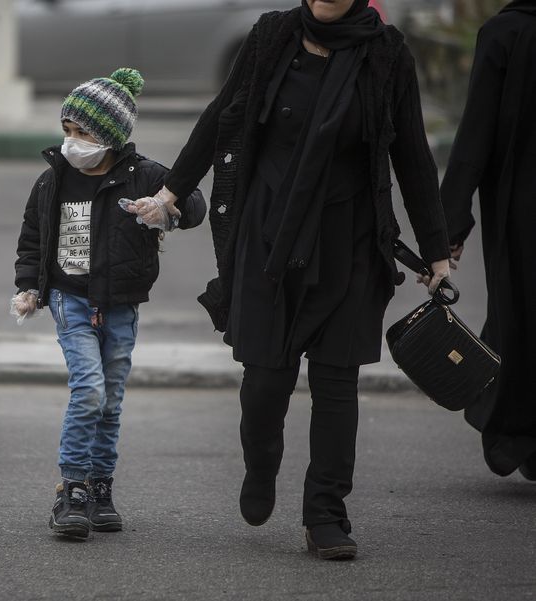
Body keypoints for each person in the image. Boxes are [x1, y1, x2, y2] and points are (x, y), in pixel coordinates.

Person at [130, 0, 452, 559]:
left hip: (349, 237)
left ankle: (326, 514)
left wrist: (436, 250)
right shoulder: (272, 35)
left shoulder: (387, 52)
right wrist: (171, 191)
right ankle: (262, 463)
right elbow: (221, 116)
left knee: (336, 383)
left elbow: (412, 153)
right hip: (269, 235)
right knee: (264, 384)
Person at [12, 68, 206, 539]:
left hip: (120, 302)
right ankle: (71, 488)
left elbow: (196, 202)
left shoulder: (146, 176)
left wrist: (168, 209)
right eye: (67, 131)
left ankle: (101, 486)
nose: (73, 142)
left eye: (84, 133)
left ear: (112, 136)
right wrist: (28, 287)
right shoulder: (52, 180)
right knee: (90, 390)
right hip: (69, 300)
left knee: (111, 400)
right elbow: (32, 238)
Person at [440, 1, 536, 481]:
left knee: (519, 314)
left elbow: (477, 129)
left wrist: (449, 223)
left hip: (522, 213)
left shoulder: (507, 32)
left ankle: (517, 431)